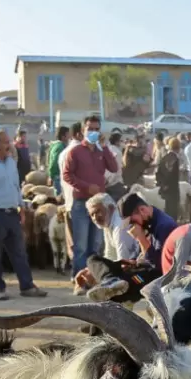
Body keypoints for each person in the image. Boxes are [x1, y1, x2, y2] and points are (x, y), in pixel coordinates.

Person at [0, 130, 46, 300]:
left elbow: (16, 187)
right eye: (6, 142)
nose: (10, 145)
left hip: (12, 214)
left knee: (19, 252)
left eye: (9, 141)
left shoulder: (11, 163)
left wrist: (21, 208)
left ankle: (27, 286)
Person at [62, 115, 119, 274]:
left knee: (96, 244)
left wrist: (105, 146)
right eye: (90, 129)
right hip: (81, 202)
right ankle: (79, 278)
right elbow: (67, 174)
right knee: (80, 245)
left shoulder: (101, 151)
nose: (93, 132)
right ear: (82, 131)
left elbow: (114, 168)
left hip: (99, 204)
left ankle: (93, 277)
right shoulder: (75, 152)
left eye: (96, 129)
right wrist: (87, 187)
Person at [120, 193, 180, 271]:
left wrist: (141, 239)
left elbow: (159, 265)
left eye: (133, 221)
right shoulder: (149, 222)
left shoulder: (164, 226)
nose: (133, 226)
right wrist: (132, 260)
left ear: (142, 210)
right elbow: (139, 251)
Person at [87, 192, 141, 261]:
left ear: (111, 208)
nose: (95, 218)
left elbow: (124, 260)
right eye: (92, 214)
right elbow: (109, 254)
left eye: (98, 211)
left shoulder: (119, 226)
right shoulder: (107, 222)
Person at [156, 136, 183, 221]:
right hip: (172, 190)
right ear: (178, 147)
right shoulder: (175, 159)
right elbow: (171, 175)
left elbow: (158, 173)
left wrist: (162, 184)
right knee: (173, 213)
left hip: (165, 190)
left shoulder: (164, 157)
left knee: (167, 211)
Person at [46, 125, 69, 195]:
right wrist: (52, 176)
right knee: (60, 199)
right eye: (68, 134)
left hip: (56, 177)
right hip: (58, 177)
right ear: (63, 136)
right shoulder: (60, 147)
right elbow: (54, 163)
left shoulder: (54, 145)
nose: (70, 137)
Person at [104, 132, 126, 201]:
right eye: (121, 141)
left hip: (106, 183)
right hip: (115, 184)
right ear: (117, 142)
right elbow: (115, 169)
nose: (123, 142)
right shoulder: (118, 152)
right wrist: (109, 181)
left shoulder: (107, 150)